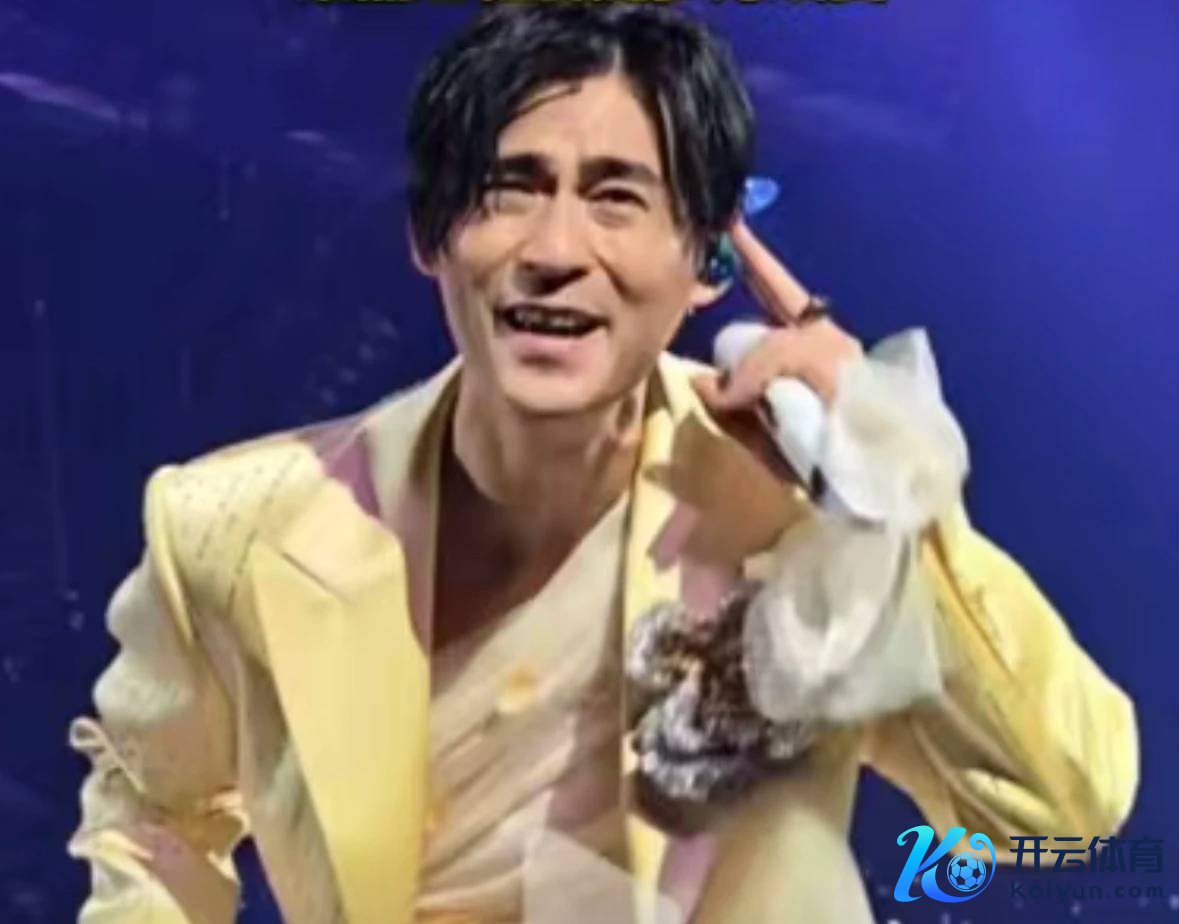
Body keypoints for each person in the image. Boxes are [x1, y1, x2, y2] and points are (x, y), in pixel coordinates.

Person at [67, 6, 1139, 923]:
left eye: (617, 197)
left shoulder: (793, 511)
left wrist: (890, 498)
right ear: (430, 235)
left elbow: (1060, 805)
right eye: (509, 189)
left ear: (706, 260)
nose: (555, 249)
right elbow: (151, 814)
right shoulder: (234, 529)